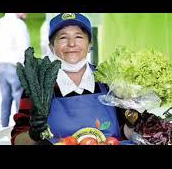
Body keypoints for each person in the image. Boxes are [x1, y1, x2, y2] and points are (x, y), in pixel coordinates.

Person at [11, 13, 128, 145]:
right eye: (62, 38)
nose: (71, 44)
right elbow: (17, 140)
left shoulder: (109, 82)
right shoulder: (37, 87)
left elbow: (125, 132)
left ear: (90, 44)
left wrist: (135, 120)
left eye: (78, 37)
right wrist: (33, 134)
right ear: (51, 47)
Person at [0, 13, 30, 127]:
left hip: (2, 66)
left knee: (5, 99)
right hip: (15, 66)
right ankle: (21, 128)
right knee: (20, 99)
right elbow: (25, 48)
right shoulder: (19, 24)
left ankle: (3, 127)